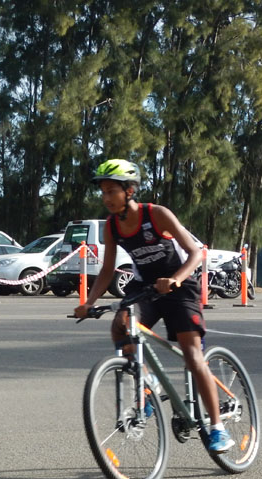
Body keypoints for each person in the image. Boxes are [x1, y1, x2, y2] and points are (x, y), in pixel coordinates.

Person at [73, 158, 234, 453]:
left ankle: (217, 428)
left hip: (180, 286)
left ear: (129, 190)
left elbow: (195, 253)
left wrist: (175, 279)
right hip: (145, 287)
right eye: (103, 192)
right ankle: (146, 387)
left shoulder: (156, 214)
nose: (106, 198)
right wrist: (89, 302)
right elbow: (107, 270)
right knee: (120, 326)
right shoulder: (112, 226)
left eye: (111, 191)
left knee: (192, 354)